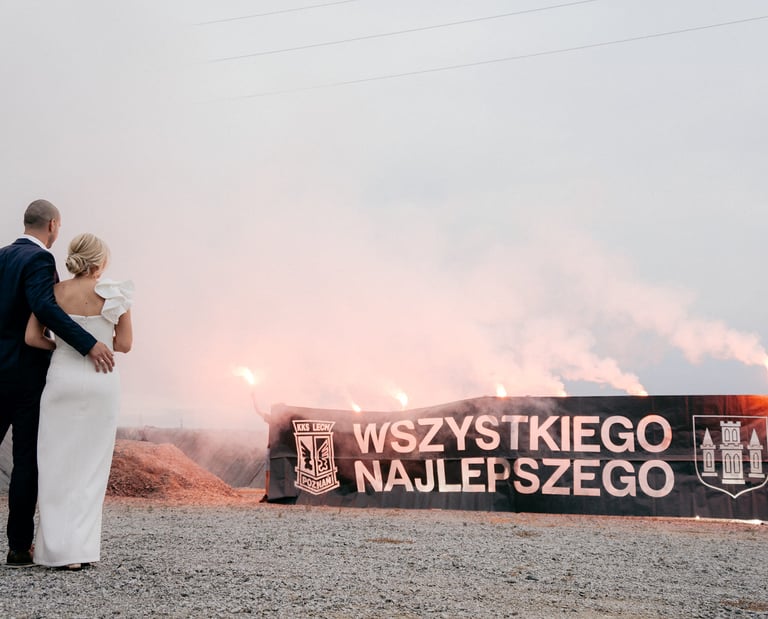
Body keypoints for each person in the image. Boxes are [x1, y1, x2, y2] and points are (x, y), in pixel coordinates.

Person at [0, 200, 115, 569]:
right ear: (53, 224)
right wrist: (86, 344)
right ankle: (19, 547)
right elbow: (44, 306)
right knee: (25, 462)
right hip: (26, 376)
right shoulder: (40, 260)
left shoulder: (1, 256)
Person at [25, 233, 133, 570]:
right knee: (90, 469)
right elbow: (125, 345)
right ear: (101, 261)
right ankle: (80, 552)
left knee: (56, 464)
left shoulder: (54, 293)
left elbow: (32, 337)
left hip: (62, 380)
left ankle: (53, 552)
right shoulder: (117, 295)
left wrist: (63, 349)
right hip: (101, 382)